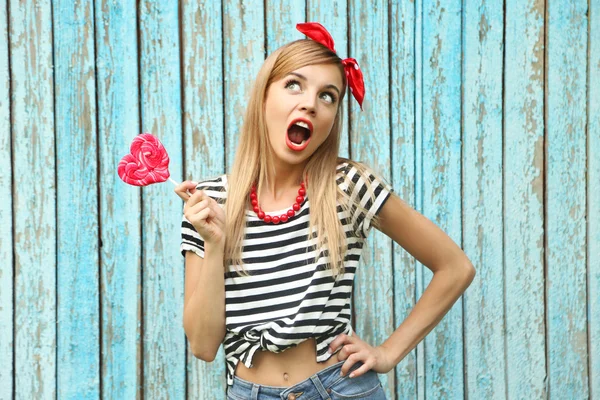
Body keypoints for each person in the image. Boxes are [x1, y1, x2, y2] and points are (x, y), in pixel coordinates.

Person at [175, 22, 475, 400]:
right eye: (294, 85)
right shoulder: (210, 202)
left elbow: (455, 267)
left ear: (332, 120)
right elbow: (203, 347)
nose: (310, 104)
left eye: (328, 96)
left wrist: (387, 353)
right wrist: (215, 243)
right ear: (264, 97)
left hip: (339, 388)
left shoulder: (348, 187)